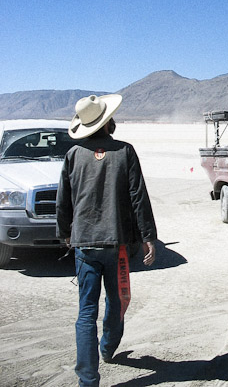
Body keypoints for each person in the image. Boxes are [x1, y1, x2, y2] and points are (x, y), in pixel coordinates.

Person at [56, 93, 157, 387]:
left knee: (86, 311)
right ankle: (108, 347)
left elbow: (64, 201)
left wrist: (64, 233)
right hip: (117, 245)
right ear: (108, 121)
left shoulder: (73, 154)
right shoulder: (125, 152)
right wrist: (148, 236)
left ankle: (88, 380)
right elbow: (139, 197)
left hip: (85, 245)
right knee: (116, 298)